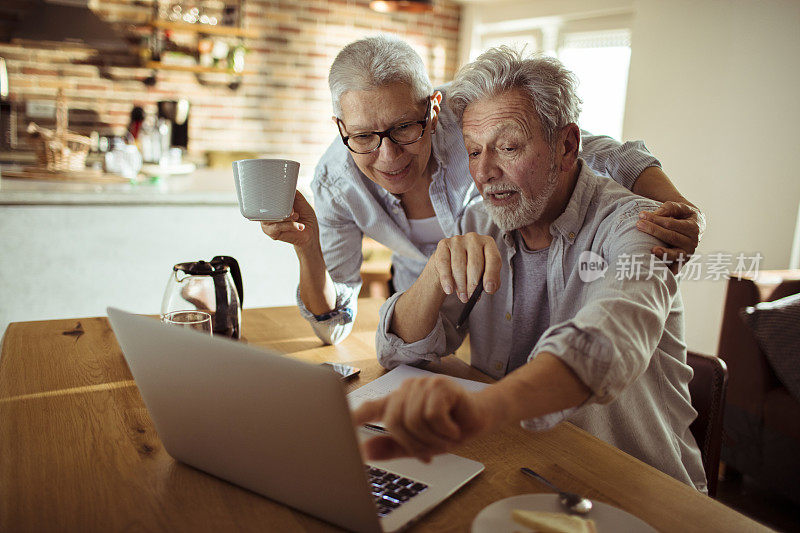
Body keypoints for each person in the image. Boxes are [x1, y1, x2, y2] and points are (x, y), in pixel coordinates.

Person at [353, 48, 707, 492]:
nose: (484, 172)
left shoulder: (638, 226)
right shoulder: (481, 221)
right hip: (522, 468)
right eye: (474, 151)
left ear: (566, 146)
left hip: (636, 490)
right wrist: (433, 272)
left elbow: (607, 341)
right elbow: (398, 351)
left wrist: (483, 409)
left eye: (508, 147)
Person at [260, 35, 704, 345]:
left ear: (432, 108)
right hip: (430, 304)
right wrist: (307, 248)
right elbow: (335, 324)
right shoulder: (336, 184)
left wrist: (680, 207)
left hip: (505, 289)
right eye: (362, 137)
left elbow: (600, 151)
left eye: (404, 129)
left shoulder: (472, 113)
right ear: (340, 127)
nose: (389, 156)